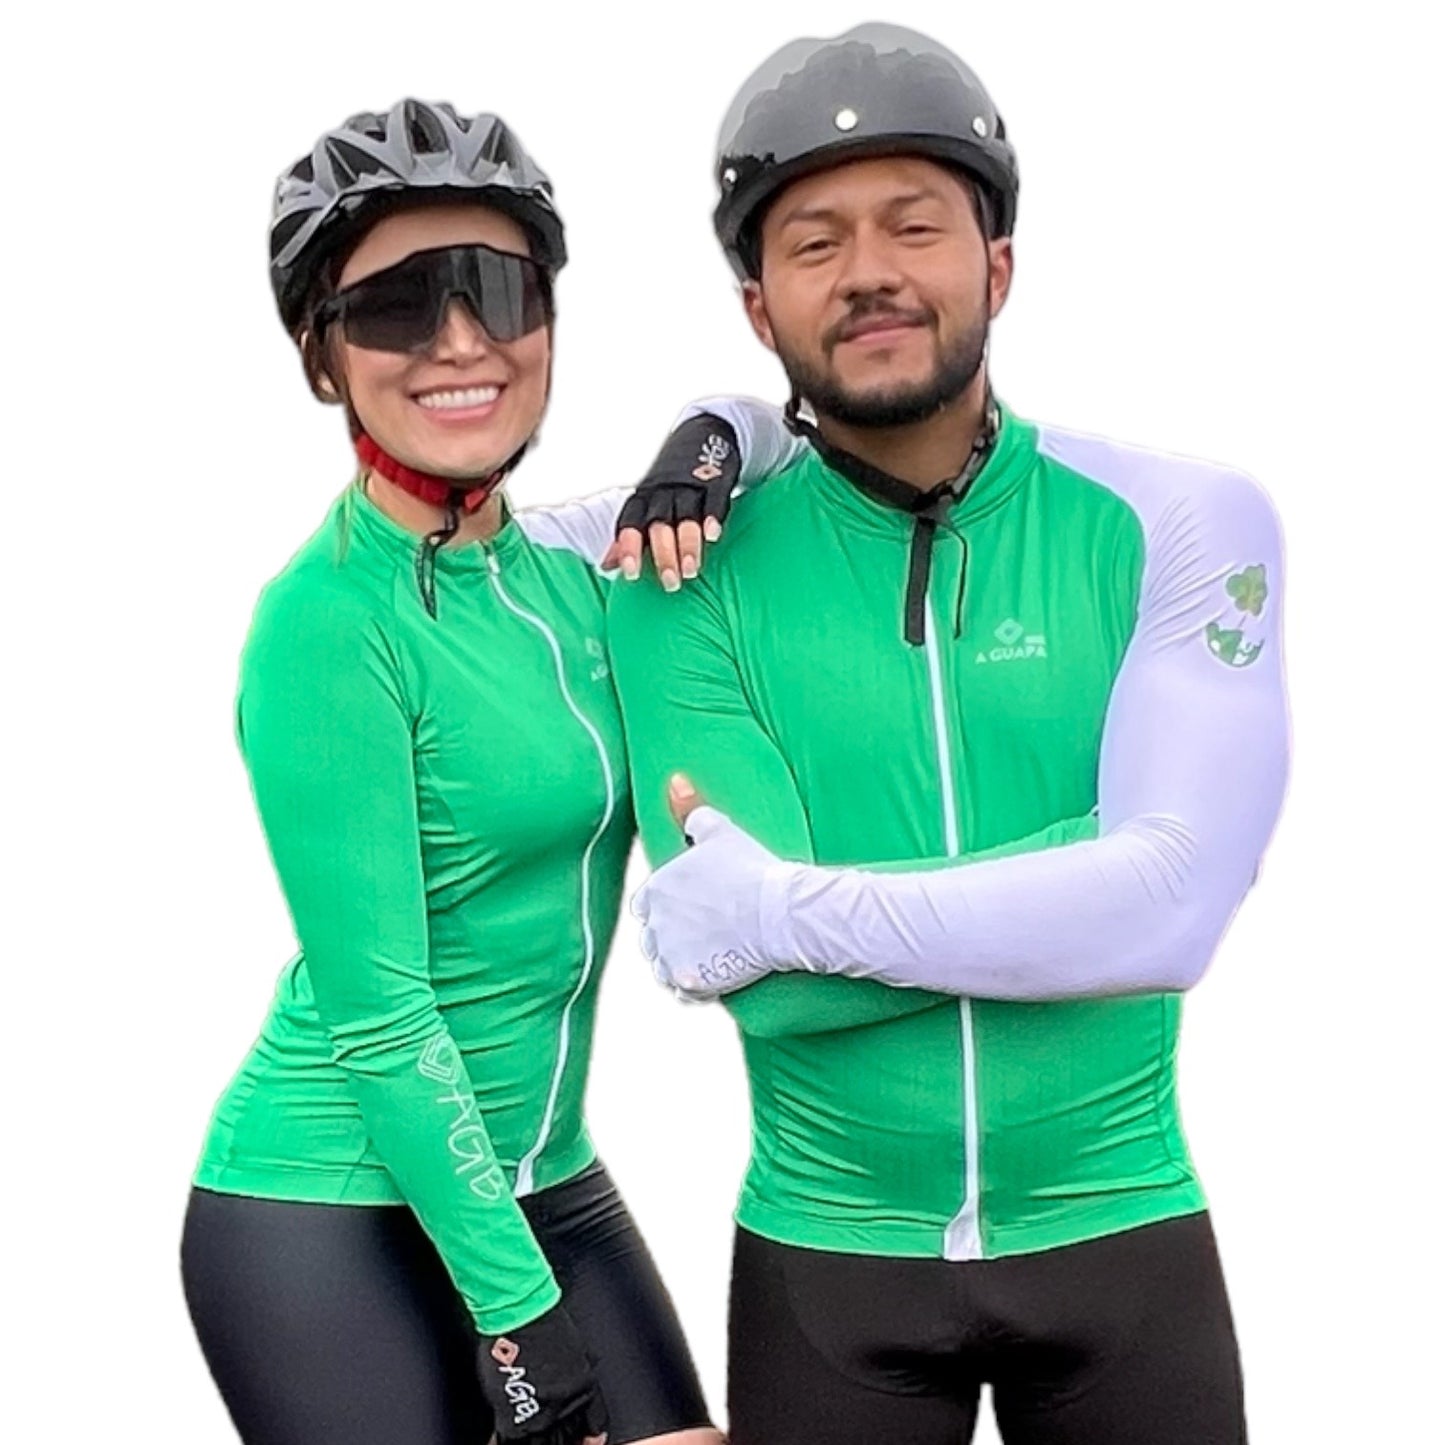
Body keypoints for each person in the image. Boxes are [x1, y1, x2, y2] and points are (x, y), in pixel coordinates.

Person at [608, 23, 1288, 1445]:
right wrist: (1078, 872)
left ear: (998, 266)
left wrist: (784, 907)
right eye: (815, 244)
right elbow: (762, 990)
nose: (869, 271)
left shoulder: (1175, 521)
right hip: (826, 1258)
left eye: (914, 225)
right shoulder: (675, 566)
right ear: (757, 311)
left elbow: (1168, 911)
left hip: (1122, 1232)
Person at [181, 98, 772, 1445]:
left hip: (542, 1176)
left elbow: (792, 440)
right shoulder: (328, 623)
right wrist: (518, 1317)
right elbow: (382, 1017)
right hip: (325, 1205)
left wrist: (712, 437)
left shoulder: (571, 569)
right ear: (323, 356)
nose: (458, 341)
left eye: (496, 293)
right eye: (397, 306)